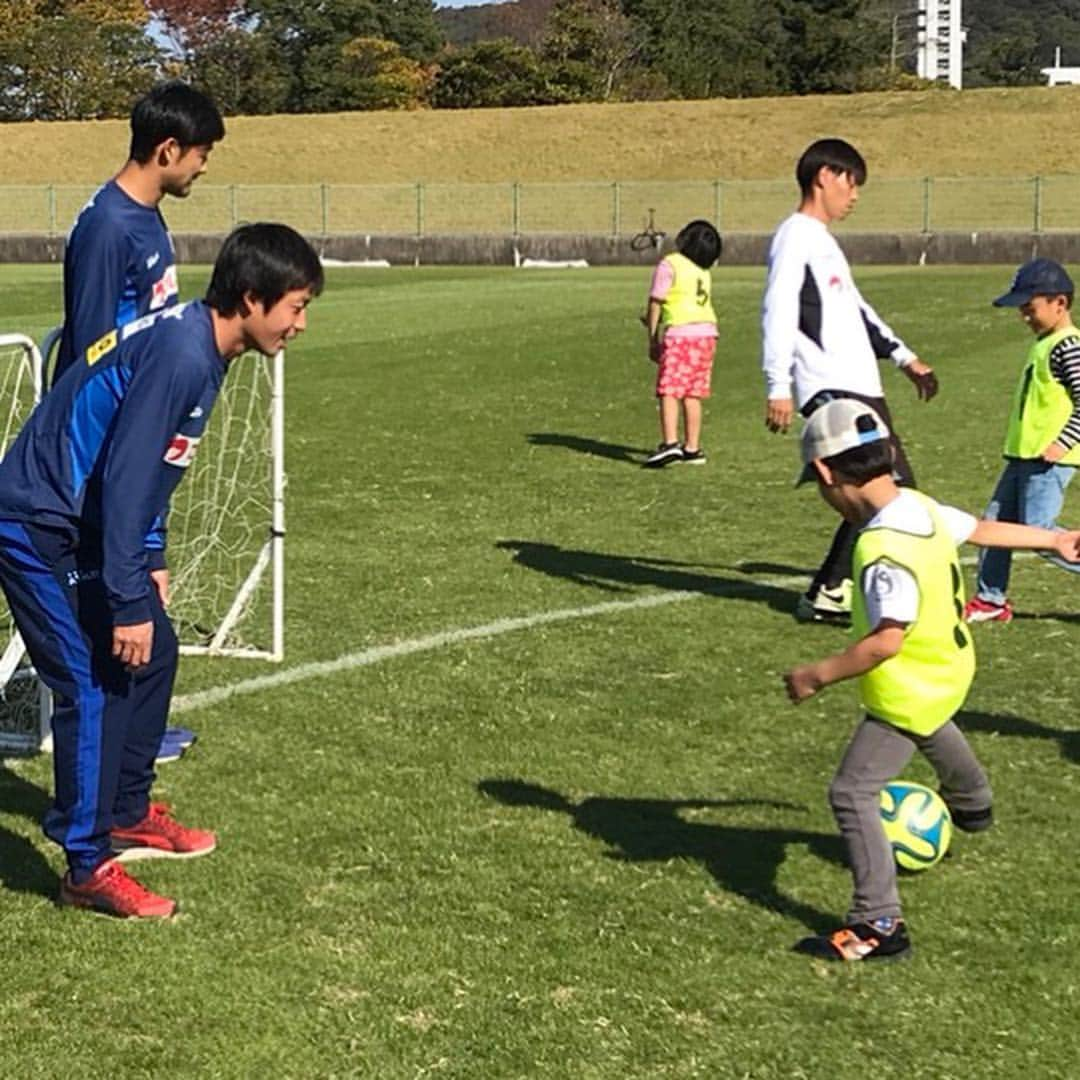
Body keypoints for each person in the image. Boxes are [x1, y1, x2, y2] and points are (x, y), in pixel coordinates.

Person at [0, 223, 324, 918]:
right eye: (295, 307)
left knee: (159, 651)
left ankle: (124, 810)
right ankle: (85, 866)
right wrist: (126, 598)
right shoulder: (182, 353)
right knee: (86, 684)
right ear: (249, 298)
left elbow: (147, 469)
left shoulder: (203, 347)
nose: (301, 324)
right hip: (34, 520)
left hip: (83, 521)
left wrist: (152, 559)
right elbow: (122, 479)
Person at [783, 399, 1080, 961]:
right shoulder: (918, 507)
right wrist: (1053, 539)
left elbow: (885, 641)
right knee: (930, 722)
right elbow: (980, 528)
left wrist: (815, 675)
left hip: (909, 679)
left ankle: (878, 923)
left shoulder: (880, 549)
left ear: (826, 474)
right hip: (951, 666)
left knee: (851, 792)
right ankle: (972, 801)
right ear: (887, 455)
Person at [54, 80, 225, 761]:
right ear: (168, 148)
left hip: (144, 418)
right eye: (201, 155)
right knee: (109, 587)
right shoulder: (106, 227)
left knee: (134, 576)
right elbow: (91, 348)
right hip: (109, 433)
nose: (204, 168)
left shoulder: (148, 216)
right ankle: (115, 733)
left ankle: (136, 728)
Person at [761, 138, 938, 623]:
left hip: (859, 384)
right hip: (833, 386)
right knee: (890, 490)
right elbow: (778, 309)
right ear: (824, 177)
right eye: (850, 182)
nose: (854, 195)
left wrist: (903, 357)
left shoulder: (822, 241)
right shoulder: (795, 235)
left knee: (883, 489)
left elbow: (857, 310)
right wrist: (777, 382)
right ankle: (850, 590)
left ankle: (831, 589)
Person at [964, 258, 1080, 623]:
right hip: (1022, 458)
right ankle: (990, 599)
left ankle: (990, 598)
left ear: (1059, 303)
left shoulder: (1068, 346)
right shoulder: (1046, 343)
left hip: (1048, 461)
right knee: (996, 527)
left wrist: (1062, 443)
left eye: (1030, 309)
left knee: (1039, 534)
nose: (1024, 317)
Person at [642, 220, 722, 468]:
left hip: (681, 335)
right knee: (692, 393)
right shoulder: (702, 272)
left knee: (669, 390)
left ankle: (670, 444)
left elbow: (656, 301)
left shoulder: (671, 264)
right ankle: (693, 447)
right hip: (707, 334)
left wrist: (652, 337)